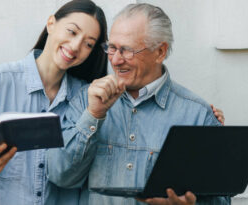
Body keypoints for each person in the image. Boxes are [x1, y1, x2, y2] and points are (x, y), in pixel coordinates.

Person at [47, 3, 230, 205]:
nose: (115, 60)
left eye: (126, 50)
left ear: (160, 52)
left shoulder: (198, 115)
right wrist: (93, 115)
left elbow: (221, 198)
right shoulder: (85, 100)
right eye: (112, 48)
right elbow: (59, 176)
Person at [0, 1, 108, 205]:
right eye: (72, 32)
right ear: (51, 23)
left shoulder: (86, 98)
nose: (76, 46)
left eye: (89, 44)